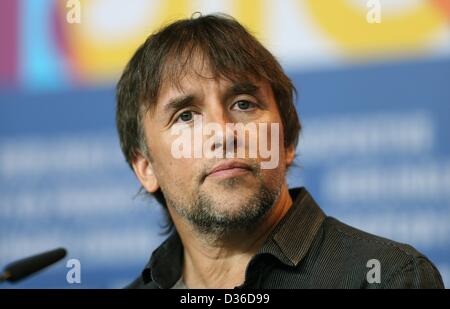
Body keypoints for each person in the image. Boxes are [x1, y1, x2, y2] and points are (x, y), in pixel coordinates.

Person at [116, 14, 444, 289]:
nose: (224, 132)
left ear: (285, 142)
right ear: (146, 167)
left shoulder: (388, 279)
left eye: (243, 104)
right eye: (186, 116)